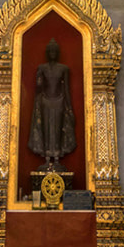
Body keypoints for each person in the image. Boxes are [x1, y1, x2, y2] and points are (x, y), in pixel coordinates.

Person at [28, 38, 76, 167]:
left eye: (55, 51)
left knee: (58, 129)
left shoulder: (63, 69)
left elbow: (66, 89)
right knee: (46, 129)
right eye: (50, 51)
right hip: (45, 101)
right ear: (47, 52)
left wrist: (69, 108)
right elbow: (39, 88)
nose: (52, 53)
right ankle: (47, 157)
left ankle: (57, 158)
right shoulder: (42, 68)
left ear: (58, 52)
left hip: (59, 101)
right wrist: (39, 82)